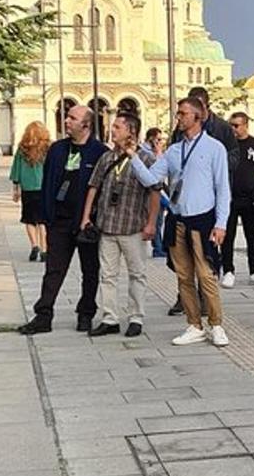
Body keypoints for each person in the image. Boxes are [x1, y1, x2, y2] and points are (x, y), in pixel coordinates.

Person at [130, 97, 231, 347]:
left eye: (184, 113)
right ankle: (194, 324)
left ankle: (216, 324)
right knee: (184, 276)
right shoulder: (174, 151)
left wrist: (222, 223)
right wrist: (132, 155)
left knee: (206, 275)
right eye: (178, 113)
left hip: (203, 219)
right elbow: (151, 179)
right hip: (178, 219)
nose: (179, 118)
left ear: (198, 117)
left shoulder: (214, 148)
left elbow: (223, 188)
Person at [18, 105, 107, 335]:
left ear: (86, 125)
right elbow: (48, 183)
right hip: (59, 221)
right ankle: (43, 315)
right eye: (67, 117)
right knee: (53, 269)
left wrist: (94, 219)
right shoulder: (58, 150)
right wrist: (48, 215)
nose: (66, 121)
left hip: (86, 223)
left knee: (90, 270)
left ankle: (86, 313)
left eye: (72, 118)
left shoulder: (99, 152)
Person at [80, 112, 160, 338]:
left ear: (130, 131)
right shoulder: (106, 158)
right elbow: (93, 187)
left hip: (133, 226)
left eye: (117, 127)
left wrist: (151, 223)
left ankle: (136, 317)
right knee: (108, 274)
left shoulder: (145, 159)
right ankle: (109, 318)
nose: (112, 130)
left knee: (137, 273)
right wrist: (86, 217)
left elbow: (155, 191)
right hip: (107, 226)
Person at [165, 86, 239, 315]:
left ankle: (210, 308)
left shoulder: (222, 130)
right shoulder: (179, 131)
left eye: (192, 107)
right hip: (183, 203)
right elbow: (173, 157)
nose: (181, 116)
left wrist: (215, 166)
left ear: (204, 109)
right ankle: (186, 303)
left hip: (208, 201)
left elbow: (233, 156)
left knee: (205, 264)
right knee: (183, 267)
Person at [223, 112, 254, 288]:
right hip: (230, 197)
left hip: (251, 197)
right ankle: (228, 270)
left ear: (245, 125)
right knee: (228, 235)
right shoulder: (227, 145)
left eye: (236, 125)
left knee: (253, 235)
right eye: (231, 125)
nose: (233, 129)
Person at [10, 121, 50, 262]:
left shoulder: (22, 149)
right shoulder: (47, 148)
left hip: (27, 188)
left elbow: (16, 169)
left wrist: (16, 188)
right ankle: (45, 249)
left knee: (29, 219)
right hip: (43, 188)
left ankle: (34, 245)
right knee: (43, 221)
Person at [144, 128, 168, 259]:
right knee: (157, 220)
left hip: (161, 190)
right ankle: (158, 248)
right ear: (151, 139)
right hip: (153, 191)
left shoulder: (153, 152)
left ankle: (159, 246)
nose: (160, 143)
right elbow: (158, 170)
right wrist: (159, 152)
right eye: (158, 139)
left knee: (160, 219)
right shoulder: (147, 153)